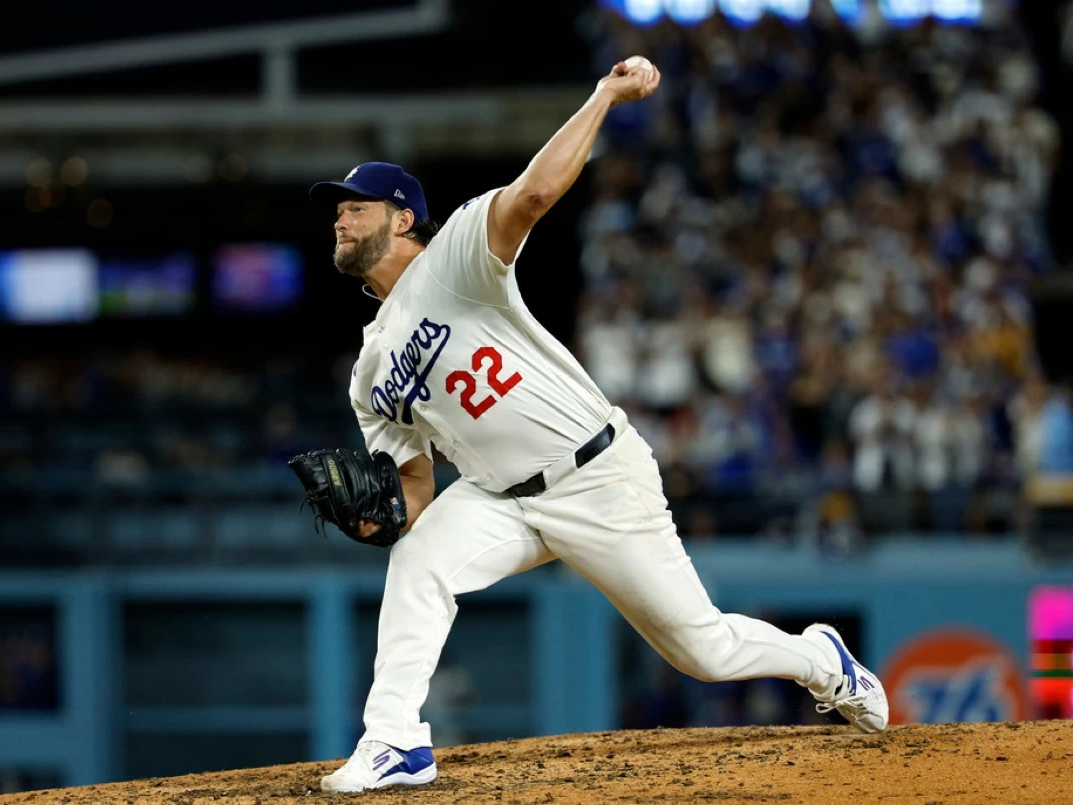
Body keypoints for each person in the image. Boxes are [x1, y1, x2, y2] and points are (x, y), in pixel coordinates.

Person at [307, 56, 888, 794]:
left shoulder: (453, 256)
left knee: (701, 650)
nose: (340, 215)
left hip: (596, 474)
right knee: (417, 560)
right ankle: (395, 741)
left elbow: (538, 191)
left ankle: (821, 660)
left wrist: (605, 95)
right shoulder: (368, 372)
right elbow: (411, 487)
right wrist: (379, 522)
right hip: (502, 500)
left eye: (356, 205)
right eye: (338, 208)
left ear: (400, 217)